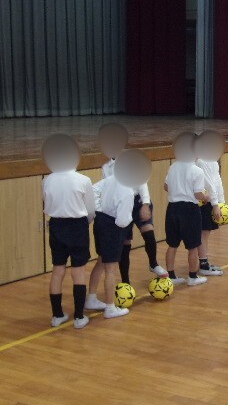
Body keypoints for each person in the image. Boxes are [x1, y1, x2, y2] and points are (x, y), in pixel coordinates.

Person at [98, 123, 167, 283]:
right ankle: (126, 282)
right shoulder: (106, 167)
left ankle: (153, 264)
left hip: (137, 201)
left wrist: (145, 204)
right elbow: (107, 189)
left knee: (148, 232)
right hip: (122, 205)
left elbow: (142, 182)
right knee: (125, 243)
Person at [42, 134, 95, 329]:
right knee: (78, 271)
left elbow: (47, 206)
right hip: (77, 226)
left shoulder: (47, 180)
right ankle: (79, 317)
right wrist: (84, 222)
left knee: (58, 270)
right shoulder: (83, 180)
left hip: (56, 225)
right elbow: (91, 210)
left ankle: (57, 315)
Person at [85, 172, 134, 319]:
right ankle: (110, 307)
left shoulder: (111, 179)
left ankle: (91, 298)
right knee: (110, 269)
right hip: (113, 227)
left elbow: (93, 189)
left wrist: (99, 208)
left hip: (100, 221)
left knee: (101, 261)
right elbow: (123, 221)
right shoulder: (128, 191)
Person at [164, 132, 209, 285]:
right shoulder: (197, 171)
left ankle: (171, 276)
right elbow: (198, 194)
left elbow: (166, 187)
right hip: (189, 210)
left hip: (172, 208)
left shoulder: (173, 166)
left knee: (172, 244)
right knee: (193, 246)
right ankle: (192, 277)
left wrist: (178, 189)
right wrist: (206, 197)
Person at [195, 130, 226, 276]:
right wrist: (215, 204)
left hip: (210, 201)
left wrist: (221, 202)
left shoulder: (212, 160)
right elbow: (208, 184)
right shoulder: (202, 161)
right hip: (202, 202)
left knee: (205, 232)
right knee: (203, 232)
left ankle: (204, 261)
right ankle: (203, 264)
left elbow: (217, 182)